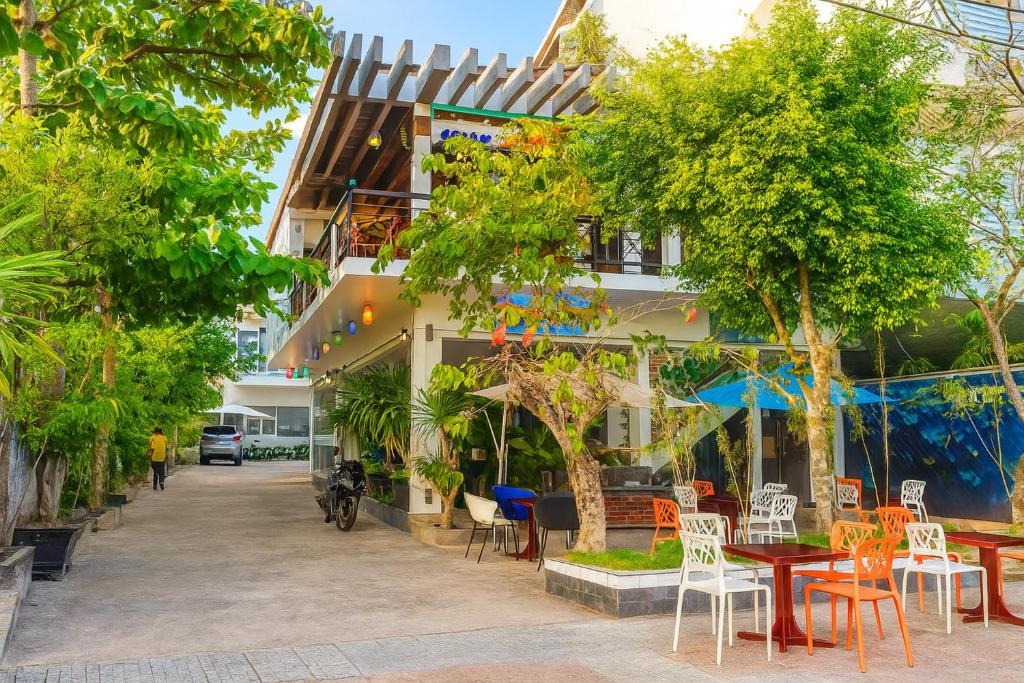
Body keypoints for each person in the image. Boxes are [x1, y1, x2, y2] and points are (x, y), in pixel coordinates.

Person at [147, 427, 168, 491]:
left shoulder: (152, 438)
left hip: (154, 457)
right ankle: (161, 482)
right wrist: (166, 455)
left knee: (155, 472)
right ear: (161, 432)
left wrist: (149, 455)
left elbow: (152, 448)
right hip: (162, 457)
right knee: (161, 471)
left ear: (154, 431)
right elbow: (166, 448)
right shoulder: (165, 438)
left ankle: (155, 486)